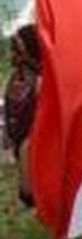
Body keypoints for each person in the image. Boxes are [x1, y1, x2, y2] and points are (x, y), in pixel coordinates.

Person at [3, 25, 40, 207]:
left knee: (32, 188)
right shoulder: (17, 75)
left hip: (34, 138)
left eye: (18, 46)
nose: (14, 52)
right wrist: (7, 133)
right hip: (19, 136)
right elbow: (10, 105)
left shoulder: (42, 77)